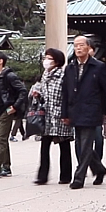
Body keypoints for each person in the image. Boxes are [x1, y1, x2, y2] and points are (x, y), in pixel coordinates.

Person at [62, 36, 106, 189]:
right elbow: (65, 92)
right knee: (81, 144)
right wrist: (64, 113)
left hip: (92, 110)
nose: (78, 48)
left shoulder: (98, 66)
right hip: (75, 110)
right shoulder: (70, 67)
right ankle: (99, 169)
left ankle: (78, 178)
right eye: (75, 45)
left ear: (88, 48)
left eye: (81, 45)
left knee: (85, 144)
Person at [32, 48, 73, 185]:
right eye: (45, 58)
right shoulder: (44, 75)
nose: (46, 61)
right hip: (46, 115)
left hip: (60, 115)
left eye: (49, 58)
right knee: (44, 146)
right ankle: (42, 175)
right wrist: (37, 95)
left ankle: (66, 175)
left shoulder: (63, 75)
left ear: (57, 60)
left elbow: (68, 95)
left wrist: (67, 113)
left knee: (64, 145)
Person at [0, 50, 27, 179]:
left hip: (6, 110)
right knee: (2, 140)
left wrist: (15, 107)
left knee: (1, 140)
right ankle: (6, 166)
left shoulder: (9, 76)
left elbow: (23, 91)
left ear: (0, 61)